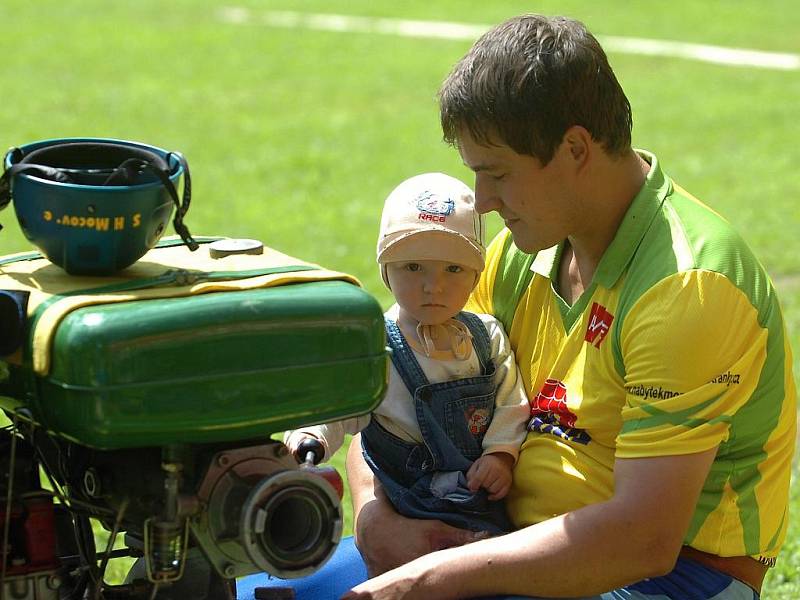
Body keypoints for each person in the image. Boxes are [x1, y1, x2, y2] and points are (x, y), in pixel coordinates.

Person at [340, 13, 797, 600]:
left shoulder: (688, 286)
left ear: (576, 148)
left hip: (676, 576)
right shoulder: (517, 250)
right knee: (265, 584)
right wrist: (375, 518)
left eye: (497, 173)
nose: (481, 200)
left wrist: (431, 577)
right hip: (501, 539)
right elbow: (396, 369)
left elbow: (642, 542)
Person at [285, 171, 530, 536]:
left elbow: (512, 402)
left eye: (453, 268)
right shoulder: (375, 347)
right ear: (386, 270)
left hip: (477, 500)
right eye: (413, 267)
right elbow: (337, 405)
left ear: (477, 275)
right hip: (404, 507)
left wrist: (499, 453)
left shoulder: (487, 336)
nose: (434, 286)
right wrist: (311, 436)